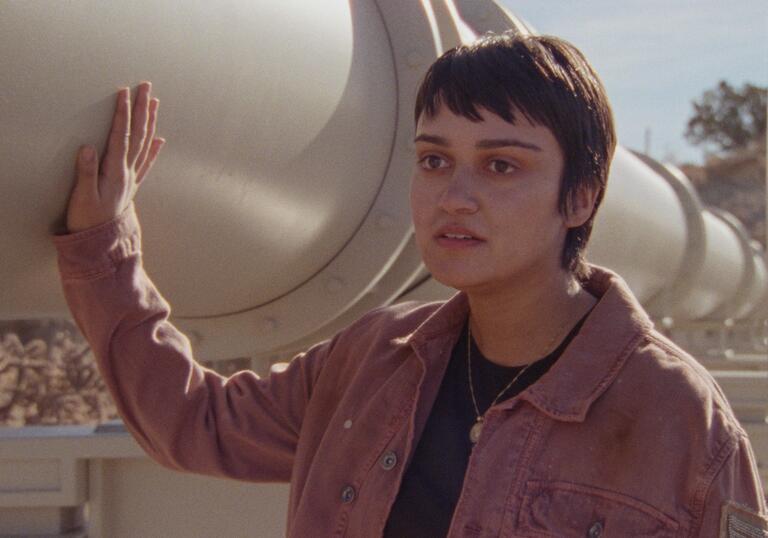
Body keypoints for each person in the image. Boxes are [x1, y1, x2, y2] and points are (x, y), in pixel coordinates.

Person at [52, 32, 767, 537]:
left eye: (500, 166)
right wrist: (102, 245)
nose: (453, 196)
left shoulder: (683, 426)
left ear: (582, 197)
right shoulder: (373, 358)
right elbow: (195, 422)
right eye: (433, 160)